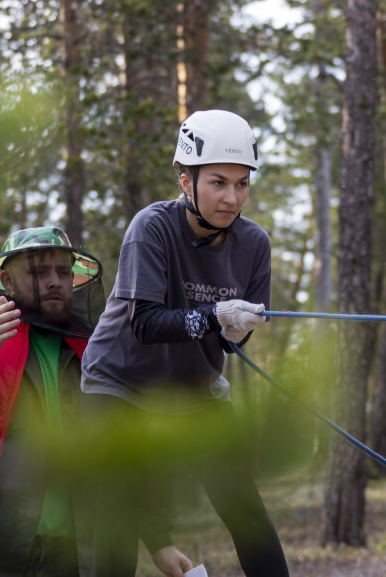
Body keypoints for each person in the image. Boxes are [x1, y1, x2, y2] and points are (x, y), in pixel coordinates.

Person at [0, 226, 193, 576]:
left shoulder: (95, 351)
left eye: (63, 272)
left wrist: (158, 539)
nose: (55, 281)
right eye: (38, 272)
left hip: (72, 555)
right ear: (7, 281)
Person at [80, 109, 290, 577]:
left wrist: (239, 331)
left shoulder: (255, 243)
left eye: (242, 184)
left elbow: (239, 334)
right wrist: (216, 316)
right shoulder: (151, 228)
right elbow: (147, 323)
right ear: (185, 180)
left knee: (245, 510)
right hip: (119, 384)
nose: (232, 197)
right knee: (114, 525)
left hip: (195, 390)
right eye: (218, 182)